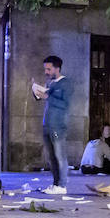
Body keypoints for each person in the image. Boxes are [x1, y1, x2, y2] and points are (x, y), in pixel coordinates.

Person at [32, 55, 73, 193]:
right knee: (51, 157)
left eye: (49, 69)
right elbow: (43, 97)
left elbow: (65, 104)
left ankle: (62, 186)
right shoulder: (50, 83)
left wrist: (47, 96)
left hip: (58, 125)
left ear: (57, 68)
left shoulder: (66, 83)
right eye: (45, 69)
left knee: (60, 156)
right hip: (47, 125)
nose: (46, 72)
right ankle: (55, 184)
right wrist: (37, 91)